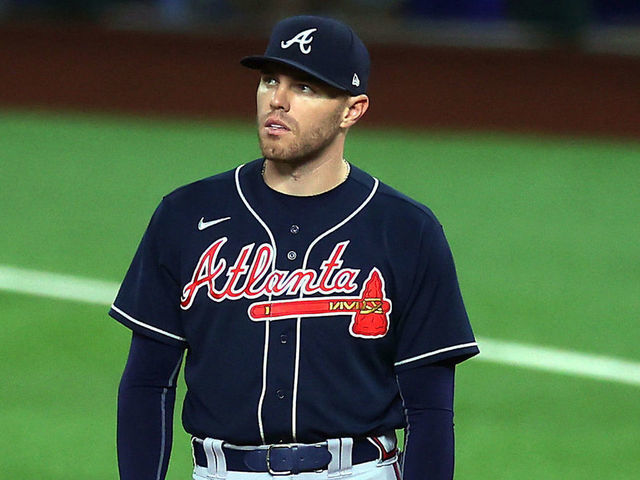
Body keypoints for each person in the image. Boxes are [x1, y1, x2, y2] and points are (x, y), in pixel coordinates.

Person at [111, 15, 479, 480]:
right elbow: (148, 384)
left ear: (353, 109)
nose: (278, 101)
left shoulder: (406, 230)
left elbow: (429, 410)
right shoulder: (186, 215)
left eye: (305, 88)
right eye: (270, 80)